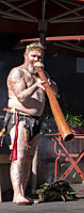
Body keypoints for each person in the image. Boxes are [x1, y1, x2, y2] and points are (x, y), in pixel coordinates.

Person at [4, 42, 57, 204]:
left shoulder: (42, 74)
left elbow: (55, 93)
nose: (36, 59)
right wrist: (36, 85)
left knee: (28, 158)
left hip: (36, 120)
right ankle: (16, 194)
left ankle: (23, 193)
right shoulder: (18, 72)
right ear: (26, 56)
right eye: (33, 56)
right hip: (20, 118)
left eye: (39, 57)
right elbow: (21, 96)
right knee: (19, 156)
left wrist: (46, 80)